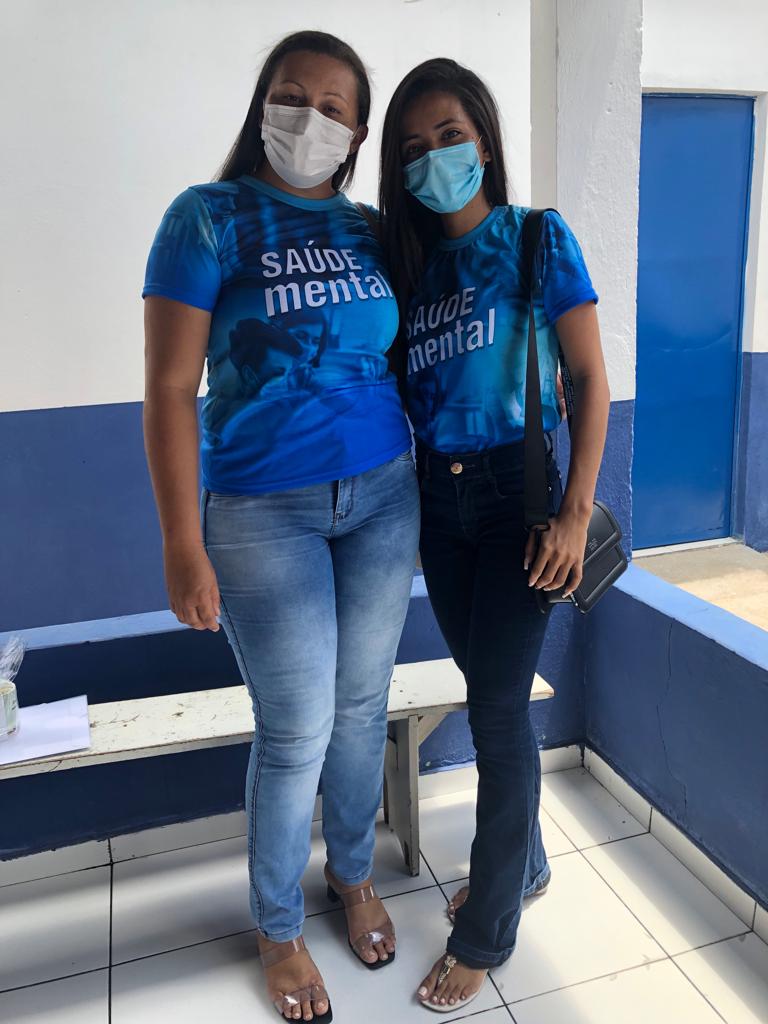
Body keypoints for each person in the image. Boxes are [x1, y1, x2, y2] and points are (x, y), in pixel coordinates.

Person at [142, 31, 420, 1022]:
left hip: (384, 495)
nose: (312, 118)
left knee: (363, 706)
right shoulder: (205, 219)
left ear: (358, 133)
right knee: (297, 723)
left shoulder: (370, 230)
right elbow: (169, 389)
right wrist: (182, 543)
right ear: (263, 103)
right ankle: (277, 925)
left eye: (336, 107)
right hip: (263, 511)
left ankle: (352, 873)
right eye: (293, 96)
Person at [379, 59, 610, 1012]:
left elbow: (589, 381)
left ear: (483, 137)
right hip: (441, 511)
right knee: (491, 695)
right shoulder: (414, 272)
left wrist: (572, 514)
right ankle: (528, 863)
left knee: (497, 714)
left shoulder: (535, 239)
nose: (434, 159)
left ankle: (487, 930)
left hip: (521, 504)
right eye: (414, 148)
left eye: (449, 136)